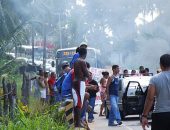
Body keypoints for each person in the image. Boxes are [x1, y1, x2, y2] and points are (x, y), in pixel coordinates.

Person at [141, 54, 170, 130]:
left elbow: (150, 98)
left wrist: (144, 116)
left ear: (160, 65)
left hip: (160, 115)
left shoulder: (155, 79)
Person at [72, 47, 89, 128]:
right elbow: (87, 74)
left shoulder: (76, 61)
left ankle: (77, 122)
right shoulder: (82, 61)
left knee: (77, 103)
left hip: (76, 82)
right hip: (80, 82)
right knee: (79, 103)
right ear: (85, 53)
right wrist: (87, 75)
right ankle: (78, 123)